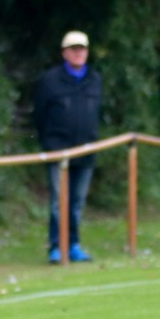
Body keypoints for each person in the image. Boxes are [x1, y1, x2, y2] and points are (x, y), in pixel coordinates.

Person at [33, 30, 102, 264]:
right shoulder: (49, 80)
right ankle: (56, 245)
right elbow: (40, 116)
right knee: (57, 201)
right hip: (58, 150)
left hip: (86, 151)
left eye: (82, 49)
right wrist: (50, 143)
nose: (78, 53)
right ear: (64, 53)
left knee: (77, 203)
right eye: (73, 49)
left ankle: (73, 244)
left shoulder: (94, 79)